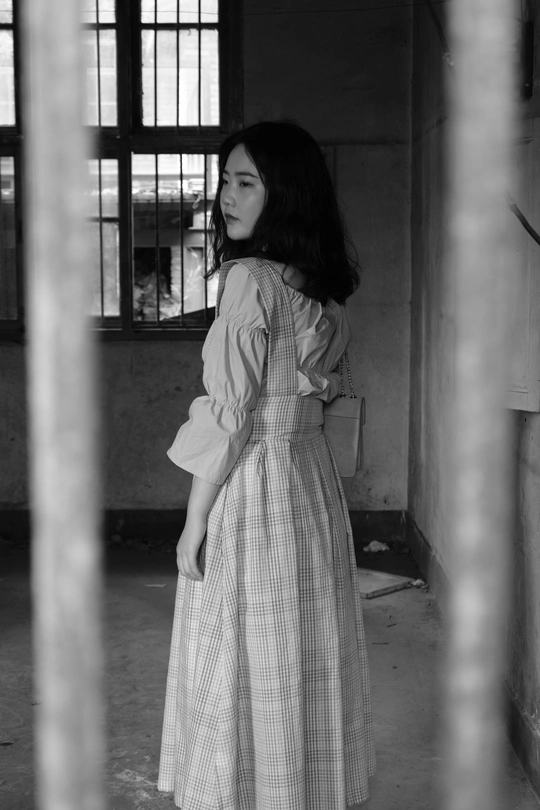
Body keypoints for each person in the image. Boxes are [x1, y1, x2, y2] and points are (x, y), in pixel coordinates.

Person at [157, 120, 375, 809]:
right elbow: (318, 390)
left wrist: (194, 522)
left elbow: (229, 412)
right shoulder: (324, 291)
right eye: (225, 180)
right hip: (309, 482)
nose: (227, 195)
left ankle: (238, 791)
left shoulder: (250, 280)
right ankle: (297, 789)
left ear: (286, 192)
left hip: (254, 481)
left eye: (246, 182)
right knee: (301, 641)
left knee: (238, 641)